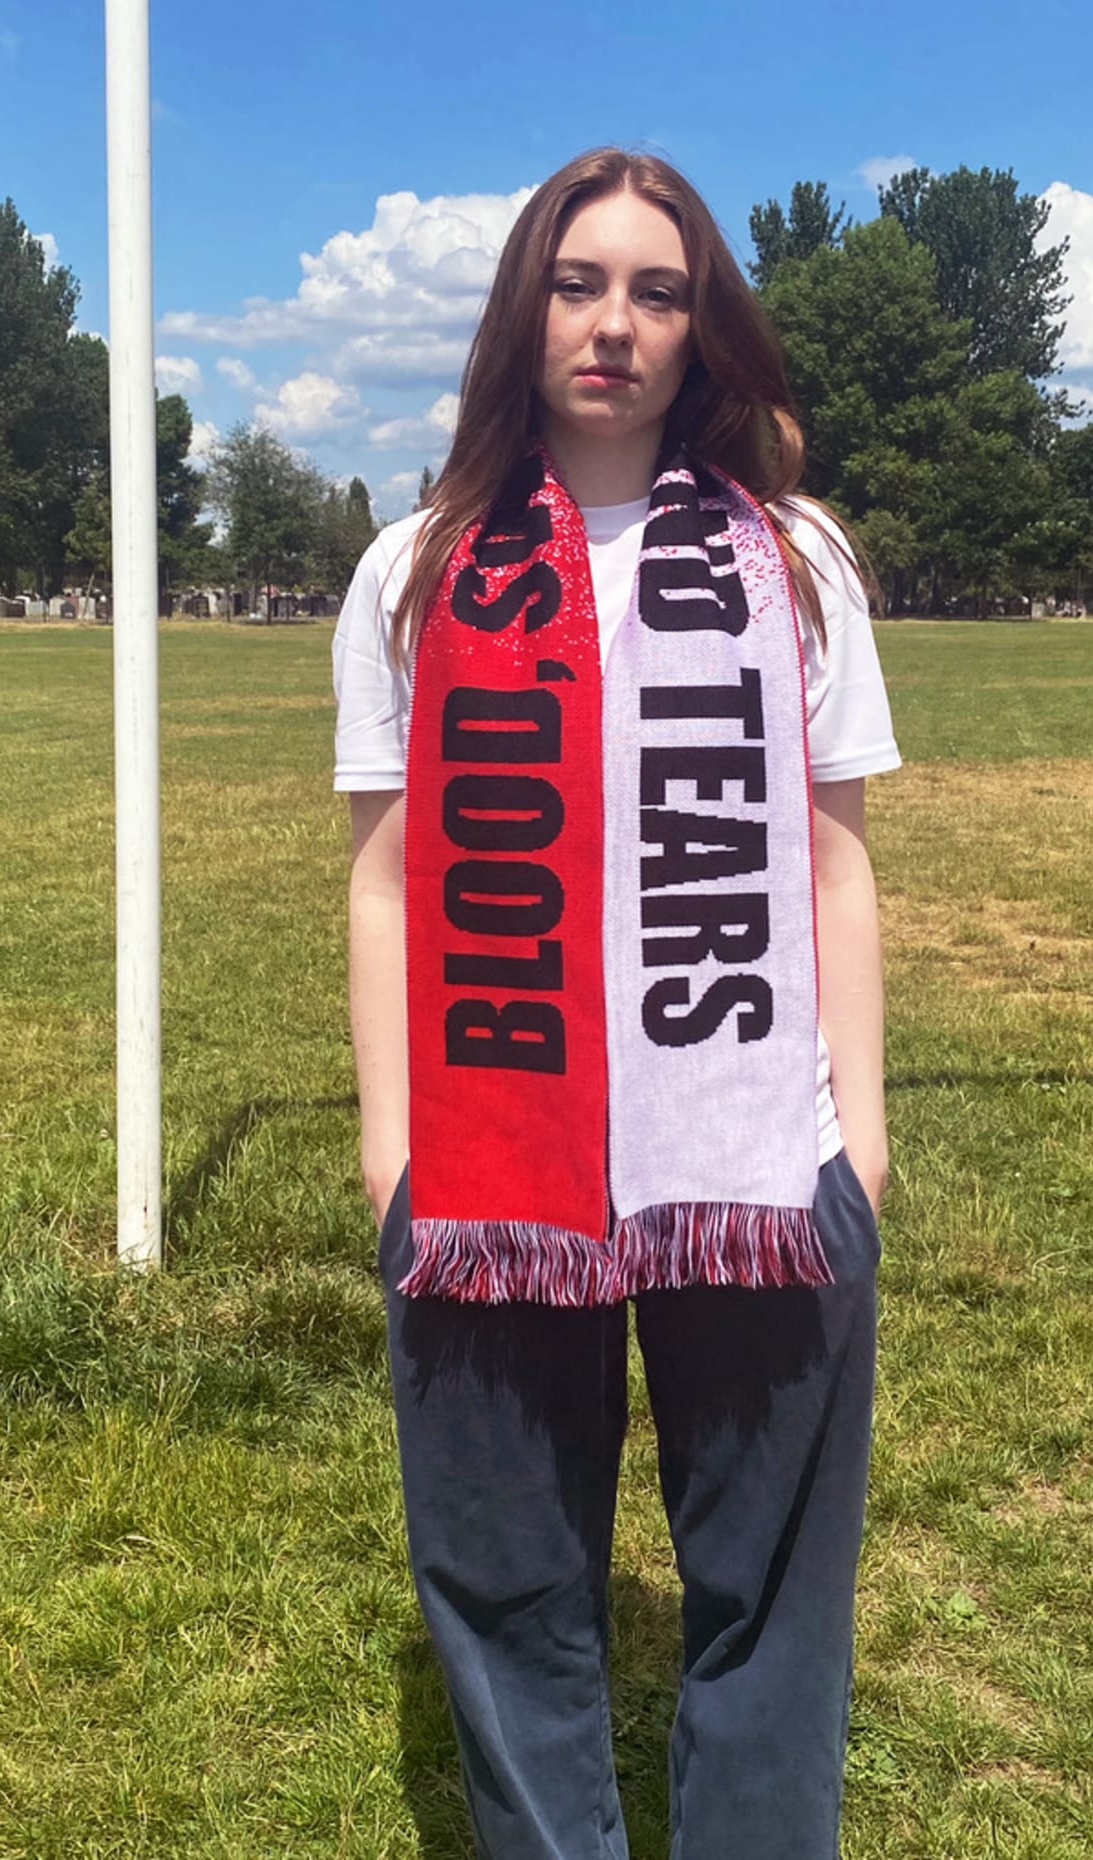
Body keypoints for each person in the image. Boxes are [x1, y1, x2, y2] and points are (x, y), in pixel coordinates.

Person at [333, 147, 900, 1859]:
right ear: (525, 310)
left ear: (700, 328)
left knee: (768, 1597)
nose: (614, 325)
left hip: (756, 1156)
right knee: (508, 1586)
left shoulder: (792, 559)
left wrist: (854, 1147)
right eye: (579, 283)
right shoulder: (413, 571)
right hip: (492, 1158)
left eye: (657, 291)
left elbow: (836, 864)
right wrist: (392, 1151)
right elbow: (385, 879)